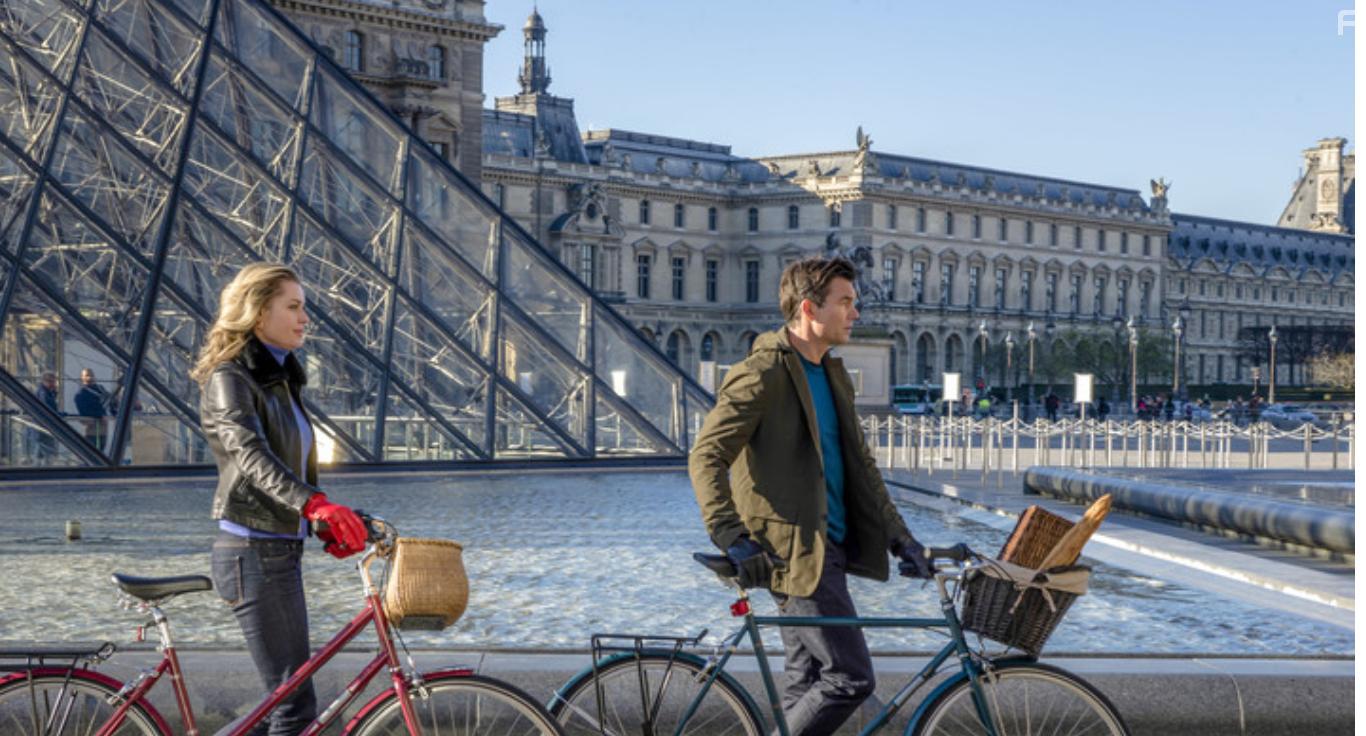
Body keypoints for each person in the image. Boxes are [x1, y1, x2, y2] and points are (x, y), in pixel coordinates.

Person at [689, 256, 935, 736]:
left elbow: (861, 472)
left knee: (807, 684)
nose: (855, 313)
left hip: (830, 551)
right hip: (796, 555)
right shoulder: (763, 373)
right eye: (845, 302)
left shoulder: (832, 374)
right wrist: (730, 534)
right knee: (850, 677)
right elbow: (706, 455)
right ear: (808, 308)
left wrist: (901, 539)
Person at [190, 263, 368, 736]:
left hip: (277, 550)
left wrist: (333, 518)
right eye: (293, 306)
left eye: (304, 306)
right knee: (293, 707)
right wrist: (313, 506)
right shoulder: (233, 377)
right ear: (257, 311)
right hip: (253, 554)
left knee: (283, 702)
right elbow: (250, 456)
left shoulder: (280, 379)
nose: (305, 317)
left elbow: (284, 471)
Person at [74, 368, 112, 451]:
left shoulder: (100, 389)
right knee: (92, 453)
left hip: (103, 430)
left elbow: (111, 400)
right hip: (91, 431)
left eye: (91, 375)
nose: (89, 377)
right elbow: (85, 411)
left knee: (101, 452)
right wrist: (100, 415)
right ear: (82, 378)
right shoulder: (81, 394)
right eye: (87, 375)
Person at [33, 372, 59, 463]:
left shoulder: (46, 392)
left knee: (41, 451)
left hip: (43, 426)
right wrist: (59, 415)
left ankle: (39, 466)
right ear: (46, 381)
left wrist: (54, 393)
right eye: (52, 382)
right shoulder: (43, 392)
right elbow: (48, 408)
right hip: (44, 426)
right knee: (46, 450)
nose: (54, 384)